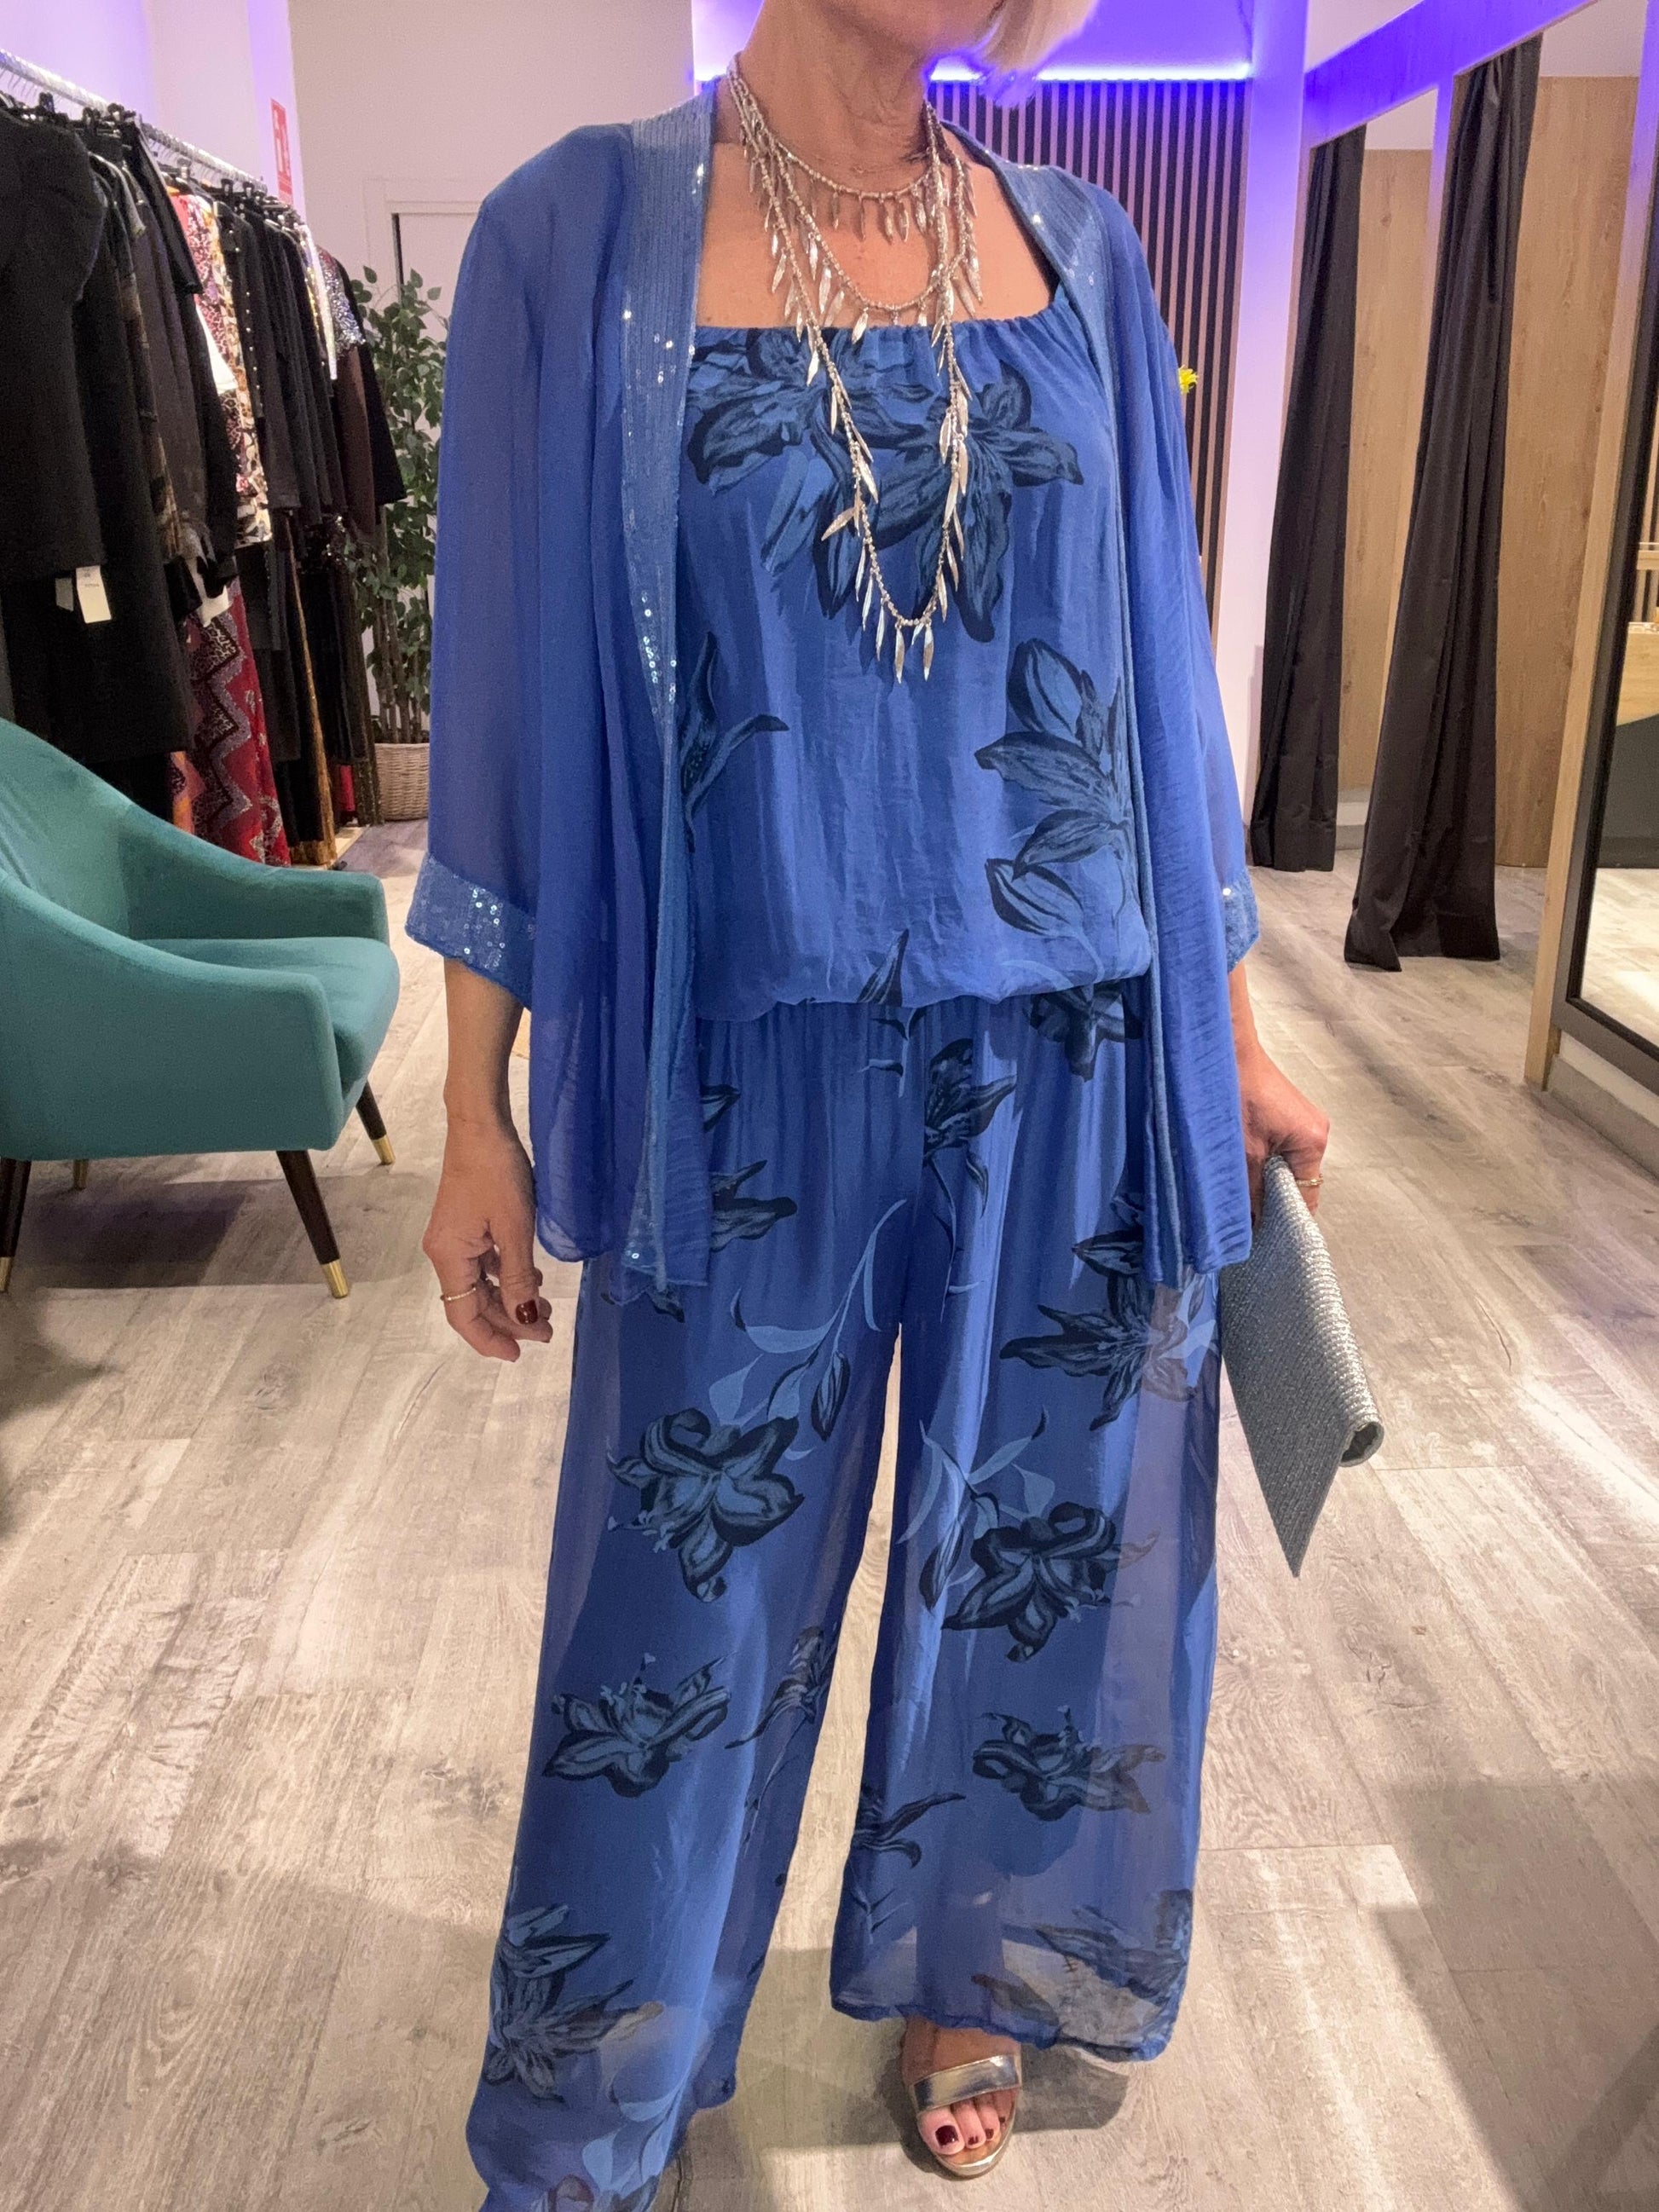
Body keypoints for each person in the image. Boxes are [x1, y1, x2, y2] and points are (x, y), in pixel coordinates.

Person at [412, 2, 1331, 2203]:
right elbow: (504, 700)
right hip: (741, 1073)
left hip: (1075, 1055)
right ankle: (599, 2103)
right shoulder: (571, 238)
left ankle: (972, 1964)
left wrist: (1222, 1026)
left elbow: (1156, 678)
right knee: (675, 1618)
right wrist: (472, 1101)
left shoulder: (1083, 250)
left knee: (1031, 1574)